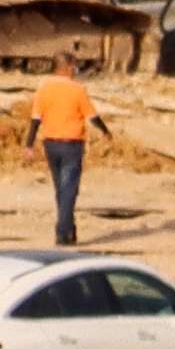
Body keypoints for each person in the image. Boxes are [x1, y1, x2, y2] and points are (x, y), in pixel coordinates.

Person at [27, 66, 105, 246]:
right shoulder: (77, 90)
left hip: (51, 144)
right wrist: (105, 131)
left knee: (61, 189)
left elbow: (35, 119)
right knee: (69, 189)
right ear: (67, 68)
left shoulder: (43, 89)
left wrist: (29, 144)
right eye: (74, 66)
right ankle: (62, 232)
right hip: (71, 145)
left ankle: (70, 229)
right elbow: (92, 116)